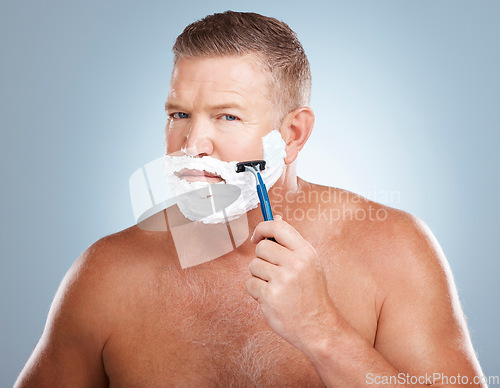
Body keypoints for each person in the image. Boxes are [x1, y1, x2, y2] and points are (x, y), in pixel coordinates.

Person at [16, 11, 484, 387]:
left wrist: (322, 331)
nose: (192, 142)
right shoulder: (106, 275)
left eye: (227, 117)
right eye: (179, 113)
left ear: (293, 135)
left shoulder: (392, 249)